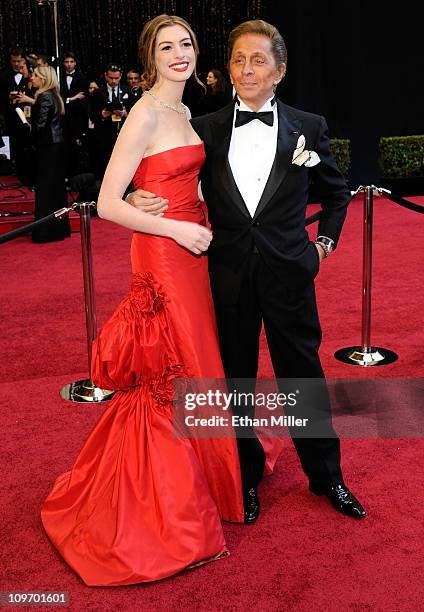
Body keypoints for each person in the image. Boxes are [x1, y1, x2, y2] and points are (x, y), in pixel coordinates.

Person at [39, 14, 273, 587]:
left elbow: (185, 181)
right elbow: (106, 202)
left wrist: (190, 216)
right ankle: (167, 505)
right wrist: (173, 229)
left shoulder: (184, 111)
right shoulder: (144, 114)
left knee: (201, 363)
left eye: (187, 44)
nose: (179, 54)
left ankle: (213, 480)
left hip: (197, 249)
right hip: (167, 255)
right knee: (173, 372)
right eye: (166, 47)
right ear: (150, 56)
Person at [128, 19, 366, 520]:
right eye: (238, 59)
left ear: (279, 71)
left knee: (303, 378)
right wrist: (135, 192)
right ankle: (246, 476)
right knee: (234, 381)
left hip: (289, 275)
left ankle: (328, 478)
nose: (247, 69)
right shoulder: (207, 128)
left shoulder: (309, 126)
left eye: (259, 60)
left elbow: (336, 194)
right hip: (226, 276)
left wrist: (321, 246)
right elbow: (167, 173)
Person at [19, 66, 70, 242]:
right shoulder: (55, 96)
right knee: (56, 190)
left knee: (46, 190)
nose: (31, 78)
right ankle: (59, 229)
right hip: (57, 147)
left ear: (43, 79)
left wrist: (27, 130)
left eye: (35, 76)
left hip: (47, 149)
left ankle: (45, 232)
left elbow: (40, 126)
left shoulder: (43, 97)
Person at [89, 64, 134, 178]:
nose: (114, 81)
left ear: (121, 76)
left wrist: (125, 113)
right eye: (111, 78)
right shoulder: (98, 93)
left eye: (116, 78)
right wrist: (103, 114)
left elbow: (136, 112)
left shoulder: (127, 91)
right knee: (104, 167)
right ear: (105, 76)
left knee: (123, 166)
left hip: (123, 134)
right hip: (104, 136)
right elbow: (91, 115)